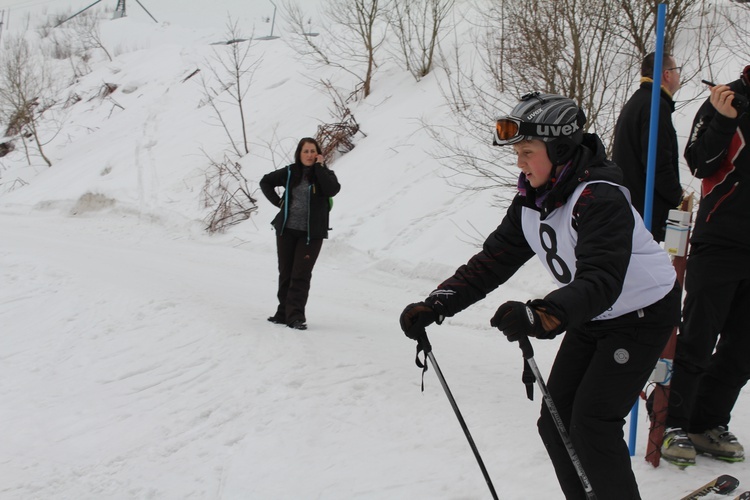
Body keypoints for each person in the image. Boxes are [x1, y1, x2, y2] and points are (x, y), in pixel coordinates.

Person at [399, 92, 681, 499]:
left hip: (641, 313)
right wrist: (437, 303)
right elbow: (494, 259)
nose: (519, 162)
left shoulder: (599, 197)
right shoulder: (533, 200)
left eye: (527, 151)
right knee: (556, 422)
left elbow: (602, 278)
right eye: (517, 152)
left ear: (560, 148)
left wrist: (544, 314)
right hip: (592, 314)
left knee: (593, 422)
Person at [660, 66, 750, 466]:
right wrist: (726, 121)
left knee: (743, 348)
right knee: (697, 337)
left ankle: (707, 421)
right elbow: (698, 163)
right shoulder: (725, 97)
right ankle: (672, 422)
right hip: (720, 240)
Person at [260, 137, 340, 330]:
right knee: (286, 273)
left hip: (311, 235)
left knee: (301, 274)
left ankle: (295, 316)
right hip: (286, 230)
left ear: (318, 154)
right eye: (306, 151)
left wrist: (320, 168)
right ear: (299, 153)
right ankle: (282, 313)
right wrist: (279, 202)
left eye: (313, 151)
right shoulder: (290, 172)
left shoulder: (325, 174)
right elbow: (265, 182)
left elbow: (332, 189)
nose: (309, 155)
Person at [612, 52, 683, 242]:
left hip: (631, 207)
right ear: (667, 74)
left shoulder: (638, 101)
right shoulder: (655, 106)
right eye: (676, 71)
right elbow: (658, 163)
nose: (678, 76)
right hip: (646, 211)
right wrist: (677, 196)